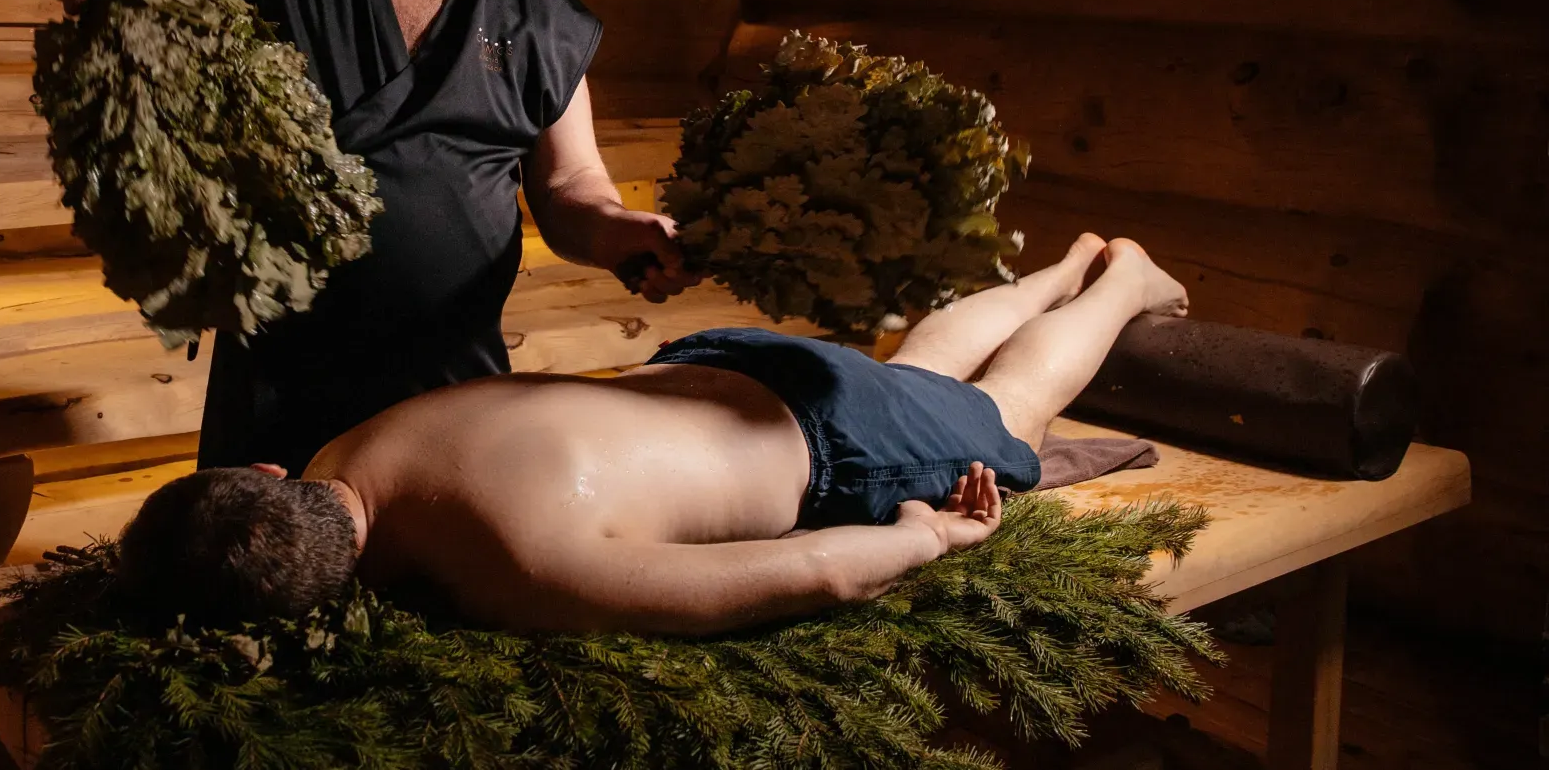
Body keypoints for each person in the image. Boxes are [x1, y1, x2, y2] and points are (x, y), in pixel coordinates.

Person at [11, 0, 700, 476]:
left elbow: (568, 186)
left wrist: (617, 230)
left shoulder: (540, 15)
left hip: (453, 404)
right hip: (278, 405)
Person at [116, 236, 1189, 636]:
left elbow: (818, 569)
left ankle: (1122, 279)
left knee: (1008, 413)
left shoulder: (519, 569)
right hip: (711, 368)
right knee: (918, 370)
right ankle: (1061, 266)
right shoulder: (335, 451)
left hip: (823, 439)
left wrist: (928, 537)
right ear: (263, 471)